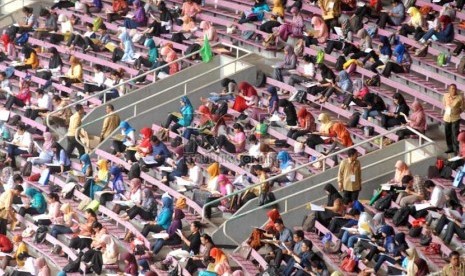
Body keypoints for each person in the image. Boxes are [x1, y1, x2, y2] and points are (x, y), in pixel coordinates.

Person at [443, 84, 464, 154]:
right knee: (447, 133)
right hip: (447, 117)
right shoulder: (445, 96)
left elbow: (463, 107)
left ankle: (456, 149)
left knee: (455, 134)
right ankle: (450, 147)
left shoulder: (460, 97)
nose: (453, 90)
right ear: (449, 89)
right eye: (452, 89)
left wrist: (459, 111)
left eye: (455, 89)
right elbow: (444, 103)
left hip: (455, 118)